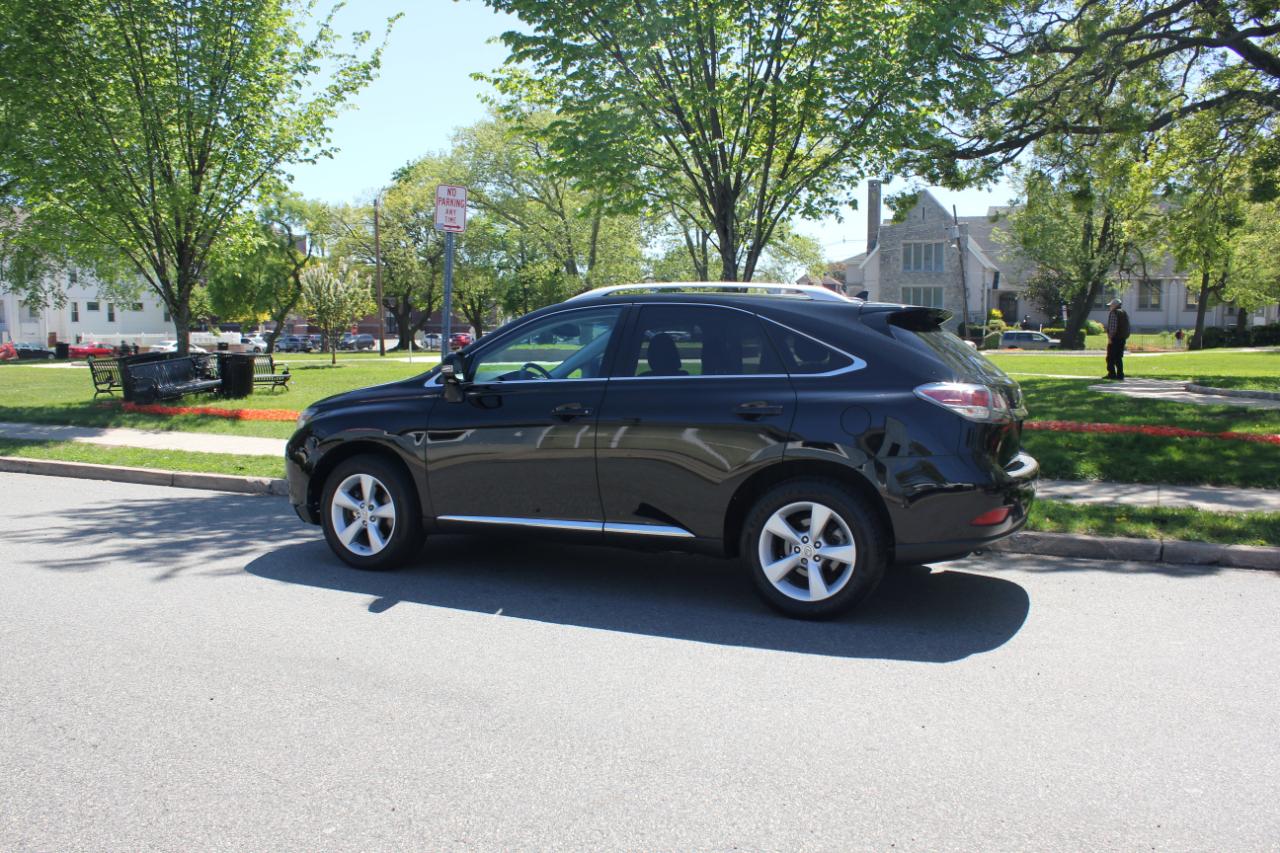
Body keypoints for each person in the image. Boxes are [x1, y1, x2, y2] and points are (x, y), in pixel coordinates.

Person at [1105, 297, 1130, 380]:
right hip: (1122, 338)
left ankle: (1111, 374)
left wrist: (1110, 338)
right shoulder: (1123, 312)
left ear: (1115, 305)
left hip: (1115, 338)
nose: (1110, 307)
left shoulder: (1114, 313)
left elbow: (1113, 327)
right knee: (1118, 357)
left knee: (1110, 357)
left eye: (1111, 305)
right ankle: (1120, 375)